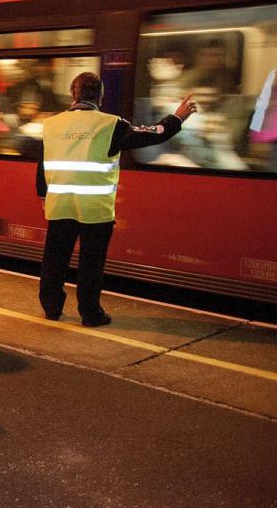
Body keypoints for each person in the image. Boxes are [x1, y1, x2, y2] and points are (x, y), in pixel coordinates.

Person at [36, 72, 197, 326]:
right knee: (91, 264)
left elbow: (42, 163)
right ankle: (90, 314)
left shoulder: (52, 124)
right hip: (95, 209)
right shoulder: (111, 125)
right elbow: (152, 134)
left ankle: (51, 307)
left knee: (55, 259)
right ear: (100, 96)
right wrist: (177, 118)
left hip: (60, 203)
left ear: (73, 94)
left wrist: (43, 194)